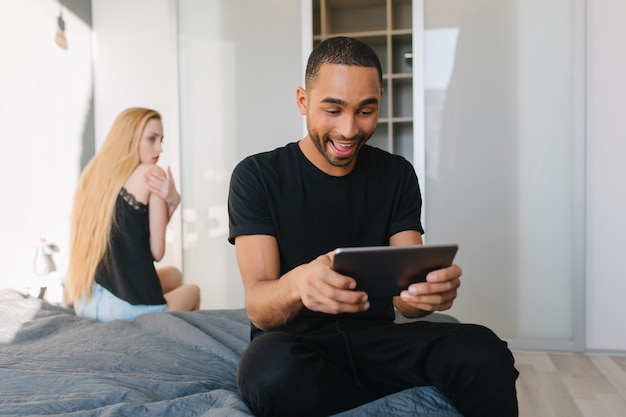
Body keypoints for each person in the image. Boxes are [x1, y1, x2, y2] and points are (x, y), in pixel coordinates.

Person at [227, 37, 519, 417]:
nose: (349, 130)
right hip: (295, 345)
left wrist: (424, 295)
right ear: (302, 101)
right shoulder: (257, 176)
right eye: (332, 110)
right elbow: (260, 309)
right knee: (269, 369)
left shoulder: (396, 174)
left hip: (379, 343)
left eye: (366, 111)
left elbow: (404, 298)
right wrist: (299, 283)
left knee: (484, 349)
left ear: (379, 100)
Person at [65, 107, 200, 321]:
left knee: (175, 275)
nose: (159, 148)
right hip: (123, 308)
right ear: (130, 140)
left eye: (161, 140)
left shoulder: (94, 176)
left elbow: (135, 238)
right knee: (192, 290)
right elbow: (156, 252)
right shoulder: (151, 174)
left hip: (87, 301)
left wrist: (171, 204)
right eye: (152, 139)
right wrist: (173, 200)